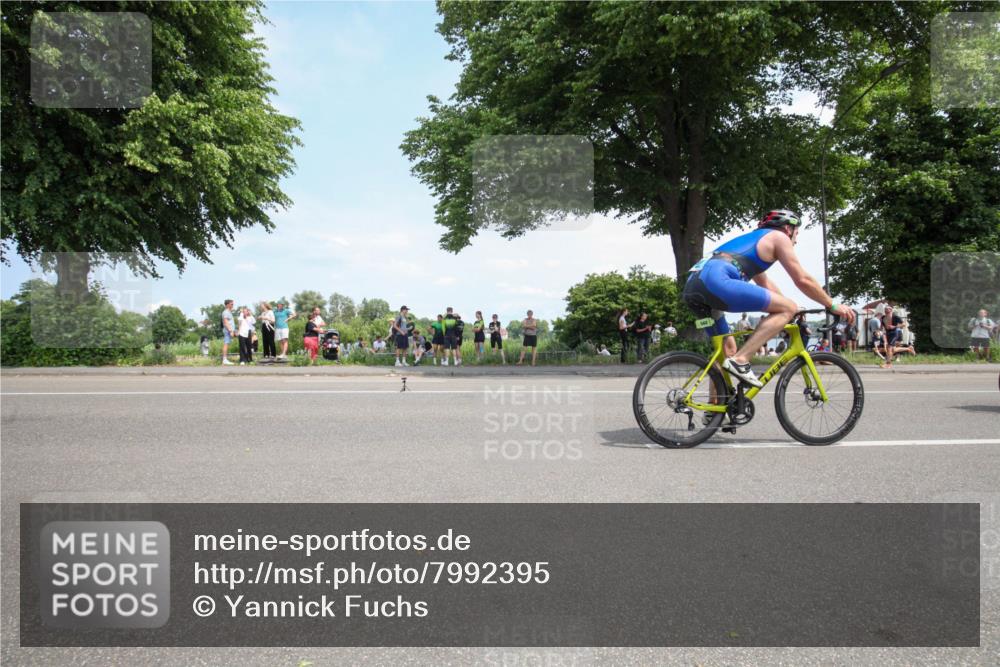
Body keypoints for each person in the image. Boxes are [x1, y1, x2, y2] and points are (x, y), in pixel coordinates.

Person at [681, 208, 854, 387]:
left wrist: (789, 309)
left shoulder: (751, 242)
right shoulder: (779, 237)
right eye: (797, 233)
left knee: (727, 350)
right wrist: (831, 304)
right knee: (787, 308)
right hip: (716, 280)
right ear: (788, 228)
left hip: (693, 287)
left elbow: (764, 283)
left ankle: (715, 405)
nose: (796, 240)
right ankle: (741, 360)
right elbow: (802, 279)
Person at [221, 299, 236, 365]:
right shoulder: (226, 312)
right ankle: (224, 359)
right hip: (228, 331)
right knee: (226, 344)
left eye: (233, 304)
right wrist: (230, 331)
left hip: (230, 330)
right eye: (231, 304)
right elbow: (226, 322)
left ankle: (225, 359)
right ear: (227, 305)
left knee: (227, 343)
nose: (232, 305)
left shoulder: (229, 312)